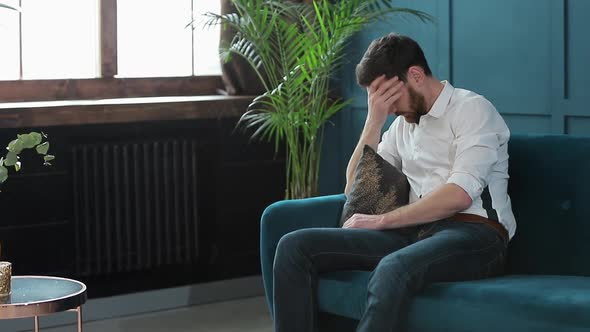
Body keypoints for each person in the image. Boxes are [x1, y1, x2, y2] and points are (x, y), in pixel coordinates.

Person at [272, 33, 516, 332]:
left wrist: (382, 221)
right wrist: (373, 121)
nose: (388, 108)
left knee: (392, 268)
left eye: (388, 97)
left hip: (475, 234)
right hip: (413, 234)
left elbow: (459, 195)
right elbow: (355, 189)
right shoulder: (401, 125)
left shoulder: (472, 110)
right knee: (294, 246)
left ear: (415, 75)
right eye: (377, 100)